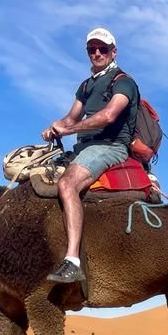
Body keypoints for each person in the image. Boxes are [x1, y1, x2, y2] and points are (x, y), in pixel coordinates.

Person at [40, 27, 141, 283]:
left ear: (113, 51)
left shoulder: (124, 82)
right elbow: (71, 117)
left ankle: (73, 261)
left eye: (102, 49)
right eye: (92, 49)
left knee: (67, 183)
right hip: (84, 147)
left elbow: (108, 116)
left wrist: (70, 129)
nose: (97, 53)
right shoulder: (86, 85)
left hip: (110, 146)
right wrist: (56, 126)